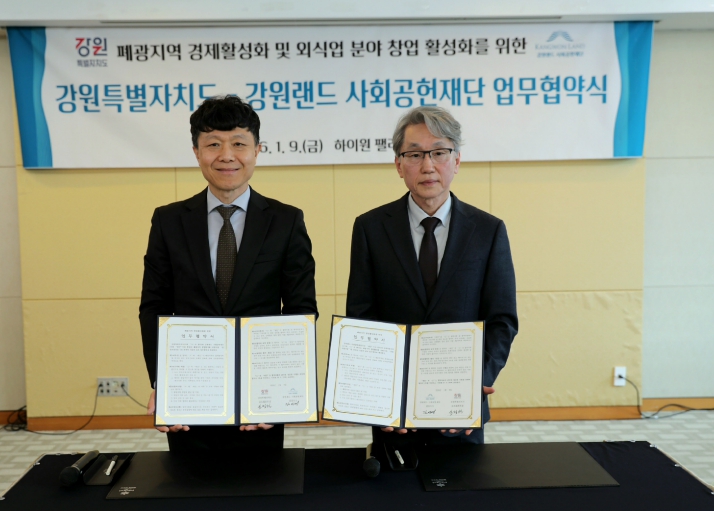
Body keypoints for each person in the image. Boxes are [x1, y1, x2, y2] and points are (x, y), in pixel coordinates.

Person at [139, 95, 317, 453]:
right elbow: (154, 306)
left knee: (264, 479)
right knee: (188, 480)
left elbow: (300, 310)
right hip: (191, 391)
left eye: (238, 143)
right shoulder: (169, 221)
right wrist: (163, 382)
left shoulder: (285, 221)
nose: (226, 155)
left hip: (261, 394)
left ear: (257, 150)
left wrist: (284, 389)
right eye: (213, 144)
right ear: (196, 152)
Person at [346, 106, 518, 452]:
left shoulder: (488, 231)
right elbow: (362, 320)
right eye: (414, 154)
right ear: (399, 164)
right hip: (393, 414)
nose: (427, 166)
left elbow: (502, 320)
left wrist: (476, 383)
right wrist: (378, 395)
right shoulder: (370, 228)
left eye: (439, 152)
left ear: (456, 160)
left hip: (460, 411)